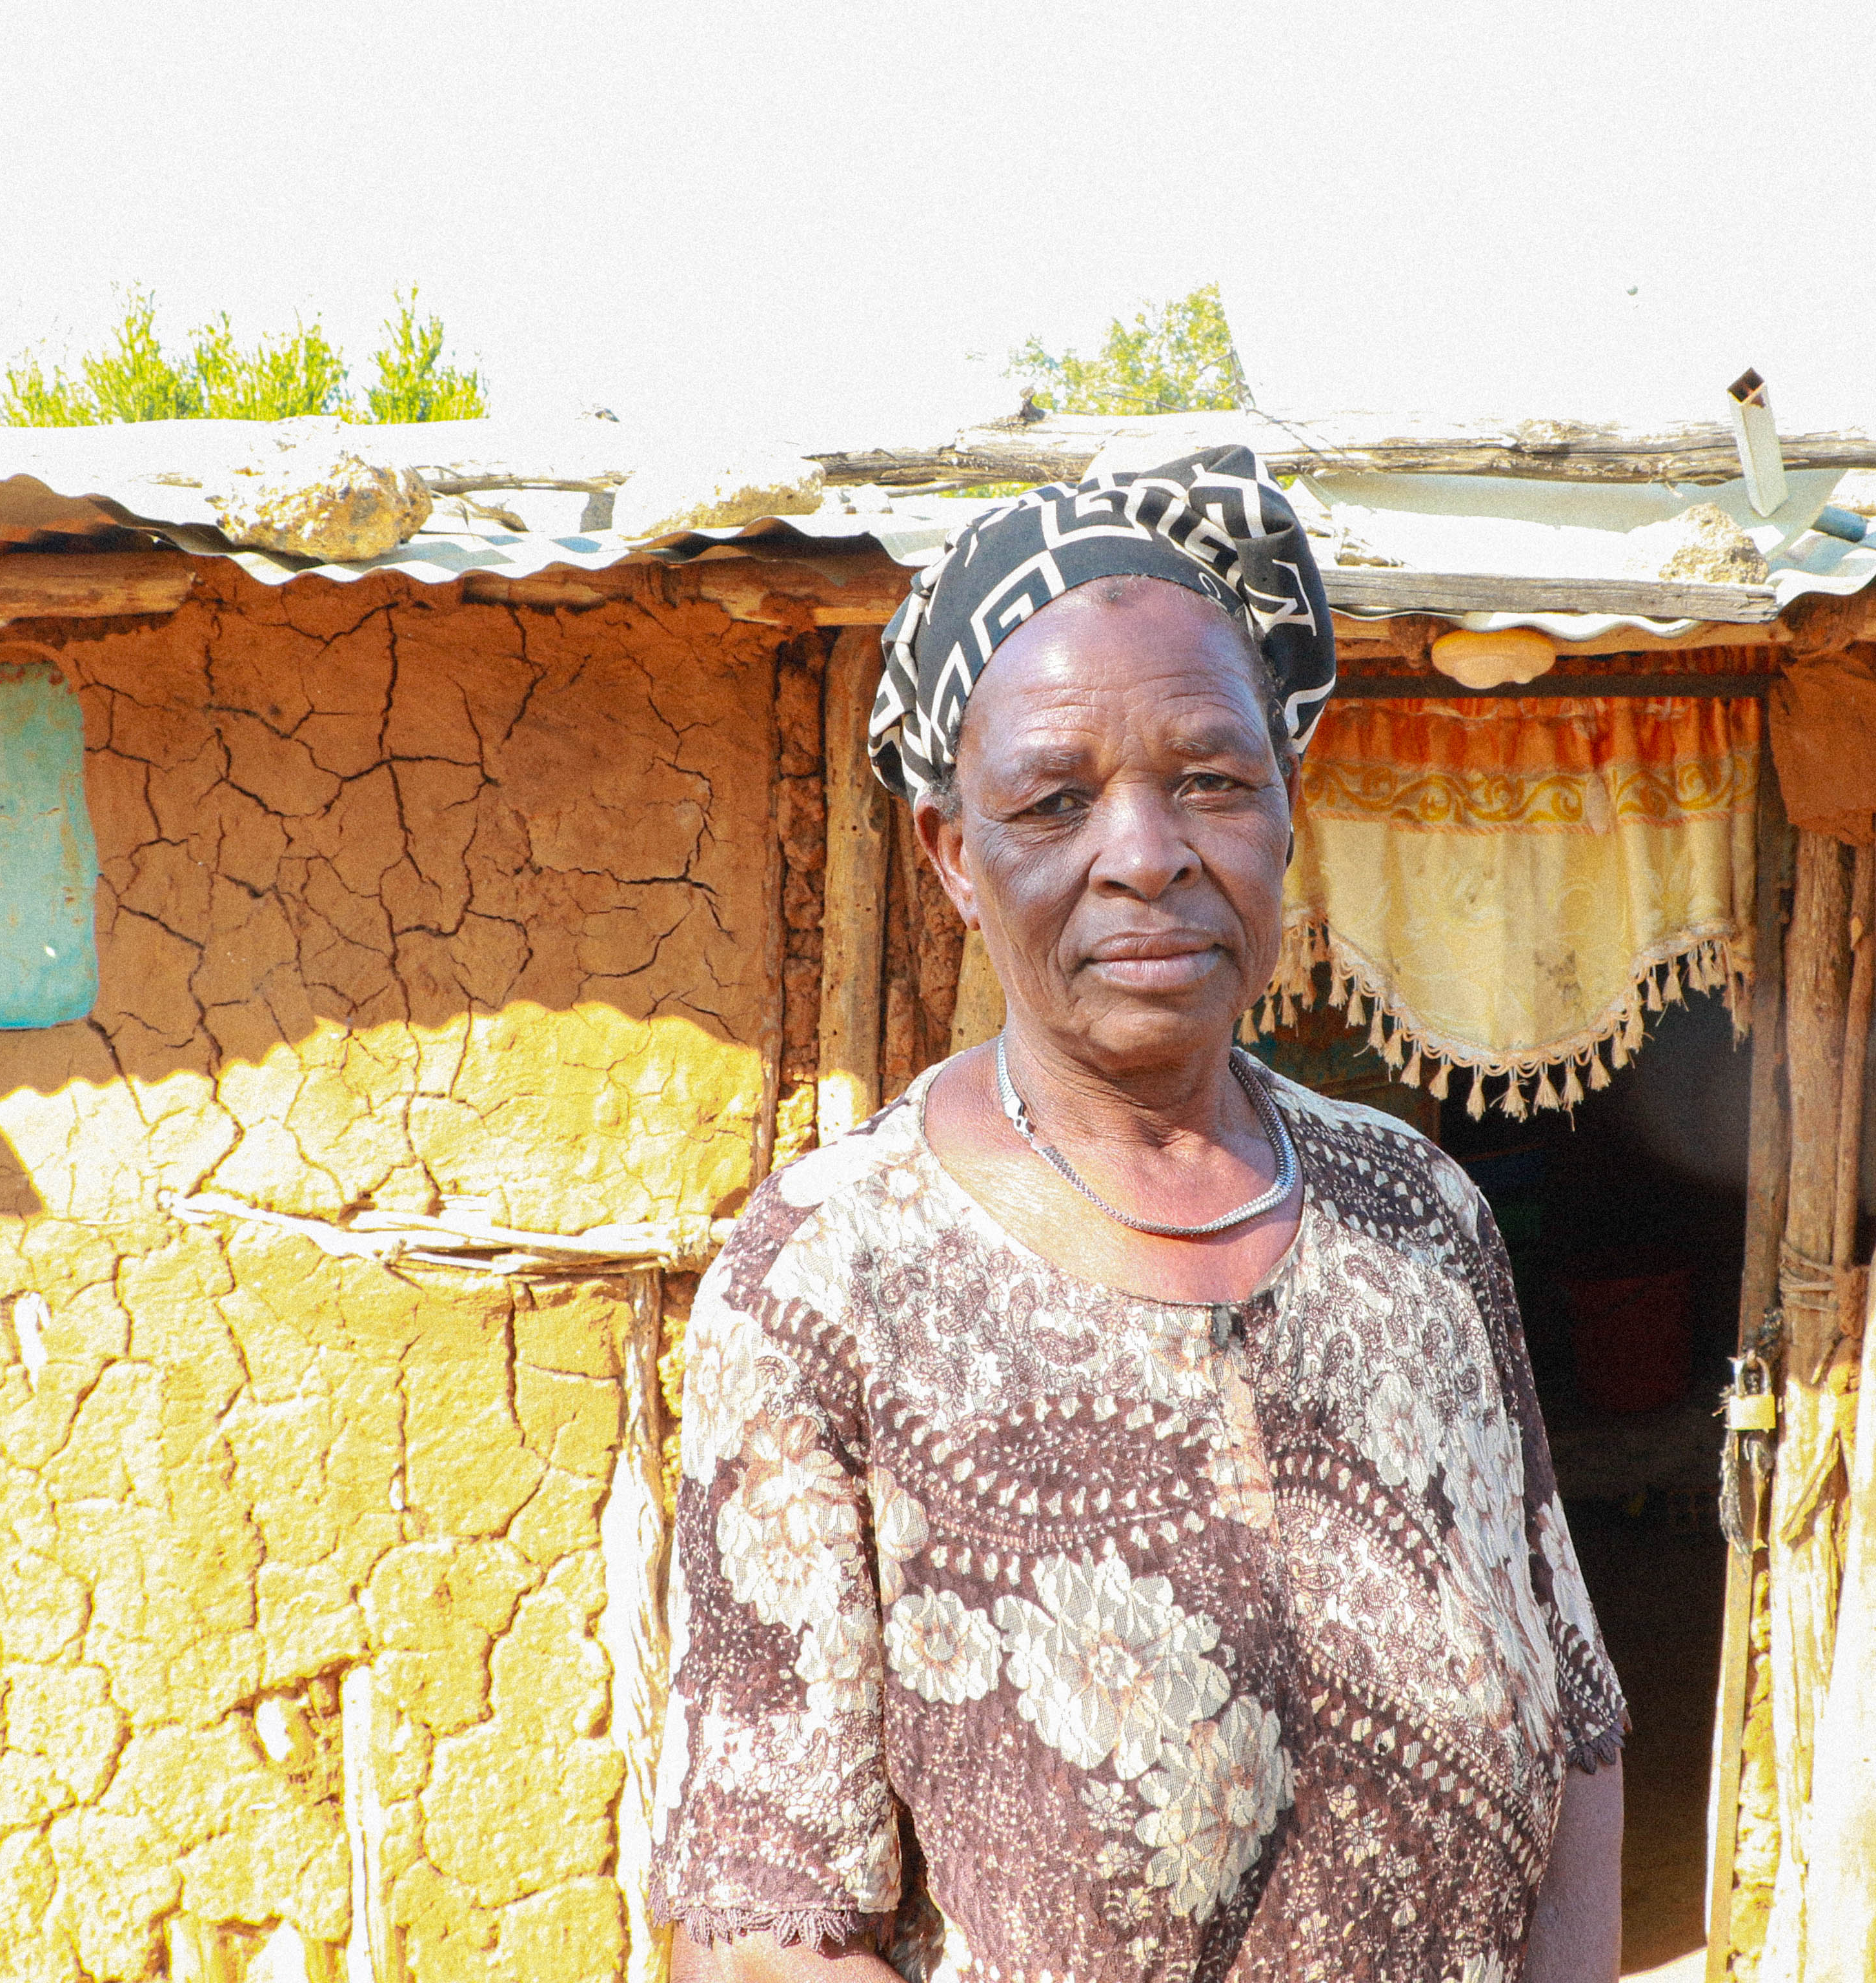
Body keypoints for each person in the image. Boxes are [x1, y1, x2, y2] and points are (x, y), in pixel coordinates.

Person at [651, 449, 1624, 1983]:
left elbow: (1573, 1721)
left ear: (1286, 811)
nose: (1147, 853)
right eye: (1054, 799)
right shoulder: (831, 1281)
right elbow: (774, 1926)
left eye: (1212, 780)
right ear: (955, 858)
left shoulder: (1421, 1216)